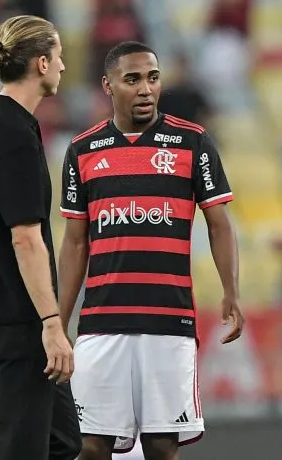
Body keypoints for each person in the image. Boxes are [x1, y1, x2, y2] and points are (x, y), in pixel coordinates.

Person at [58, 41, 243, 460]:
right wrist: (59, 318)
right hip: (101, 322)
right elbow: (74, 242)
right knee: (90, 445)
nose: (145, 89)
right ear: (108, 85)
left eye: (153, 78)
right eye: (133, 79)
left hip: (169, 321)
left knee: (161, 447)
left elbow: (219, 223)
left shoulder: (192, 142)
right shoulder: (83, 150)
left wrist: (231, 292)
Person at [0, 15, 81, 460]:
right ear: (43, 63)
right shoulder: (10, 132)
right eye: (61, 57)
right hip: (18, 315)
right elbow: (26, 238)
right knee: (24, 448)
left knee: (64, 441)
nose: (65, 67)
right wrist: (51, 323)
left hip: (9, 309)